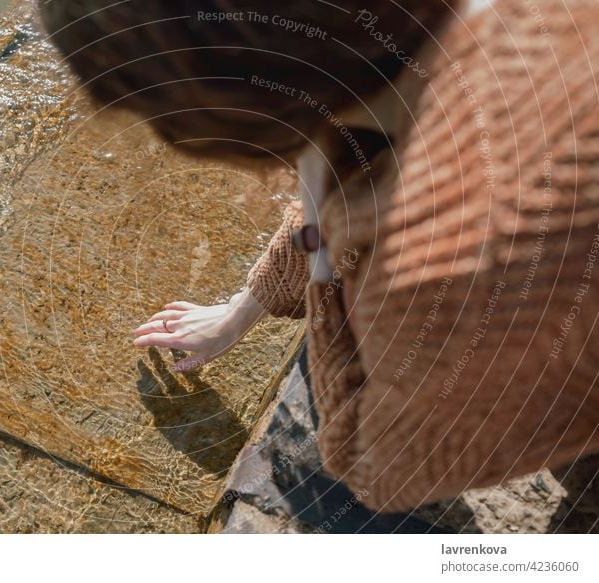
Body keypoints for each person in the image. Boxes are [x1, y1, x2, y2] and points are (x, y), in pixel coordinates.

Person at [39, 0, 599, 512]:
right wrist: (244, 309)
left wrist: (325, 267)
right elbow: (354, 119)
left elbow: (379, 466)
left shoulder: (443, 267)